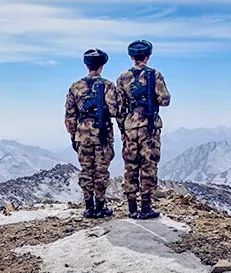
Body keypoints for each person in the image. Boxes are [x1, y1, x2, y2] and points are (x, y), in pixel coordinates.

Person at [116, 39, 171, 219]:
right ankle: (146, 207)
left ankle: (132, 208)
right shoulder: (155, 75)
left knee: (130, 165)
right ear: (148, 56)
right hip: (149, 126)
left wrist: (123, 128)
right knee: (148, 164)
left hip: (130, 126)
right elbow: (165, 100)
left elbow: (119, 106)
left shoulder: (122, 77)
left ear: (132, 57)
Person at [65, 48, 121, 218]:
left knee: (86, 170)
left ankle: (89, 207)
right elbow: (115, 110)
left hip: (82, 135)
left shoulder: (75, 87)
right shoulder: (108, 86)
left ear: (86, 65)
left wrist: (73, 135)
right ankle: (101, 205)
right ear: (102, 65)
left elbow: (70, 116)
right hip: (102, 134)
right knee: (101, 171)